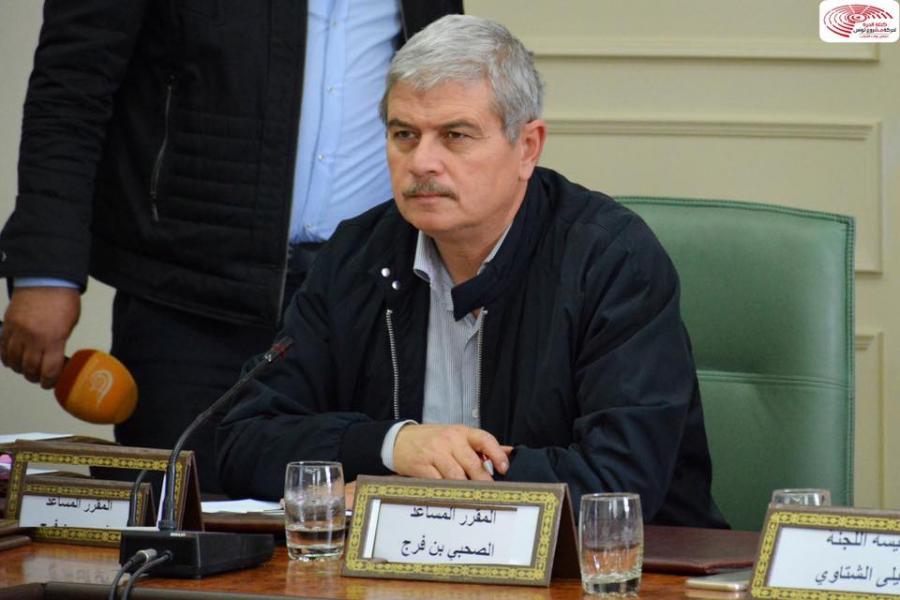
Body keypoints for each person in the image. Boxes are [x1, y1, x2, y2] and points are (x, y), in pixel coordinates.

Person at [217, 14, 727, 527]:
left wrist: (410, 491)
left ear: (527, 147)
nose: (422, 162)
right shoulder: (356, 256)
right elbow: (242, 439)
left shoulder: (611, 262)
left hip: (624, 564)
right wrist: (394, 445)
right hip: (399, 565)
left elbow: (618, 482)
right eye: (404, 134)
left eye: (455, 135)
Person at [0, 1, 462, 493]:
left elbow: (451, 80)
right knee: (178, 518)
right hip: (189, 294)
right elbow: (71, 87)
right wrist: (46, 268)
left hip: (364, 295)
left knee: (350, 516)